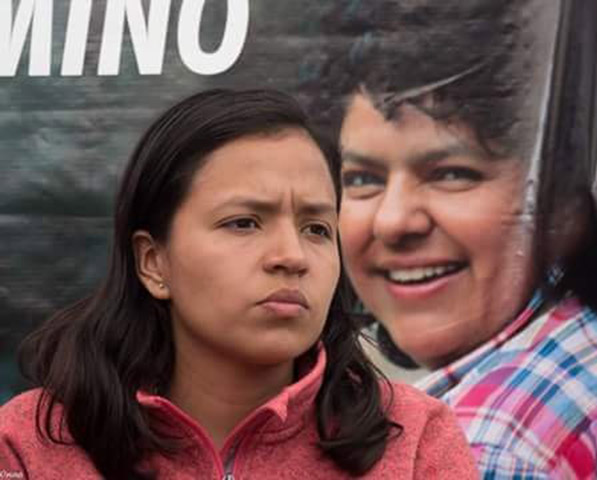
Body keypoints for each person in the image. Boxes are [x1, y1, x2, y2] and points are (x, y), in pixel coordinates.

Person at [0, 89, 477, 479]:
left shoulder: (413, 440)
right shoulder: (30, 445)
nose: (292, 257)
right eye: (244, 223)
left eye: (317, 229)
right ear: (153, 262)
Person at [300, 1, 597, 477]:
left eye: (451, 173)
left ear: (561, 201)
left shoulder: (481, 447)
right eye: (362, 179)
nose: (393, 221)